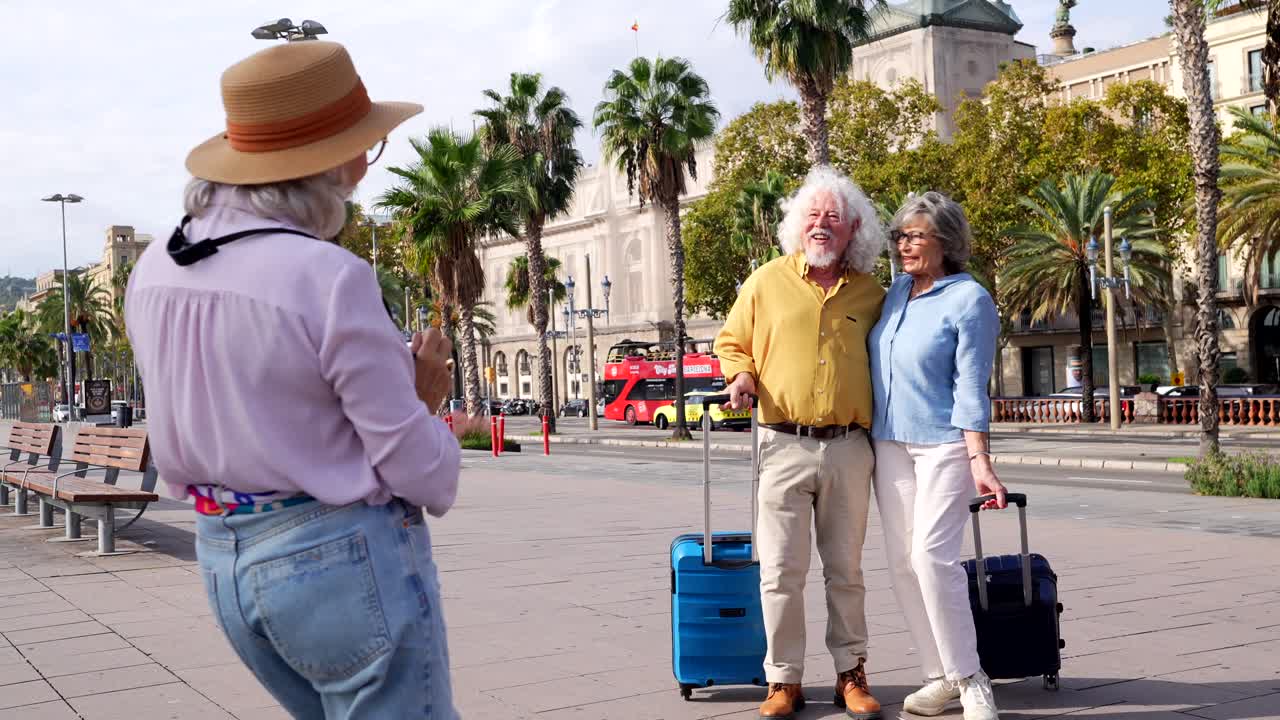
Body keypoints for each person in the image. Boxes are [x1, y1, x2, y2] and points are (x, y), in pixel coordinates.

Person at [124, 41, 462, 718]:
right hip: (335, 560)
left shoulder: (156, 269)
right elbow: (422, 474)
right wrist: (424, 398)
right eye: (365, 146)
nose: (365, 166)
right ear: (331, 161)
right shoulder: (328, 277)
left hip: (224, 555)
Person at [716, 166, 887, 720]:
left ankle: (850, 674)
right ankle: (783, 680)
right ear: (796, 224)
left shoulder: (872, 292)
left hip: (847, 446)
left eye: (833, 217)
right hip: (781, 443)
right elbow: (731, 341)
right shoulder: (766, 281)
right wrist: (740, 375)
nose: (822, 225)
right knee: (781, 570)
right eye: (812, 215)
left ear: (853, 228)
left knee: (847, 571)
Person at [867, 191, 1006, 720]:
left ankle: (972, 680)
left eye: (915, 236)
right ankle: (939, 676)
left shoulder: (970, 300)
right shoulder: (897, 292)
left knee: (932, 557)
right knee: (902, 563)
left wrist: (980, 459)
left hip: (946, 442)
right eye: (899, 236)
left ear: (945, 242)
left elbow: (972, 386)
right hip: (889, 442)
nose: (903, 245)